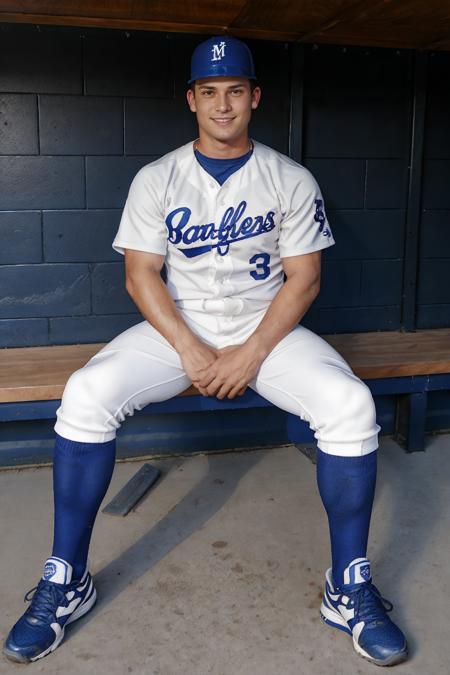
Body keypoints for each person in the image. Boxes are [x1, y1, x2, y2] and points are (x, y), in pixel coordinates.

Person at [3, 35, 407, 667]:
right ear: (192, 100)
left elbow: (304, 279)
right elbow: (141, 276)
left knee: (350, 406)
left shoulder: (290, 178)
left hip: (265, 327)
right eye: (210, 93)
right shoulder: (157, 177)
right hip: (177, 328)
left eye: (236, 92)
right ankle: (67, 578)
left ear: (255, 98)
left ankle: (347, 586)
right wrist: (190, 350)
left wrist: (249, 354)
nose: (224, 105)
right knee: (86, 394)